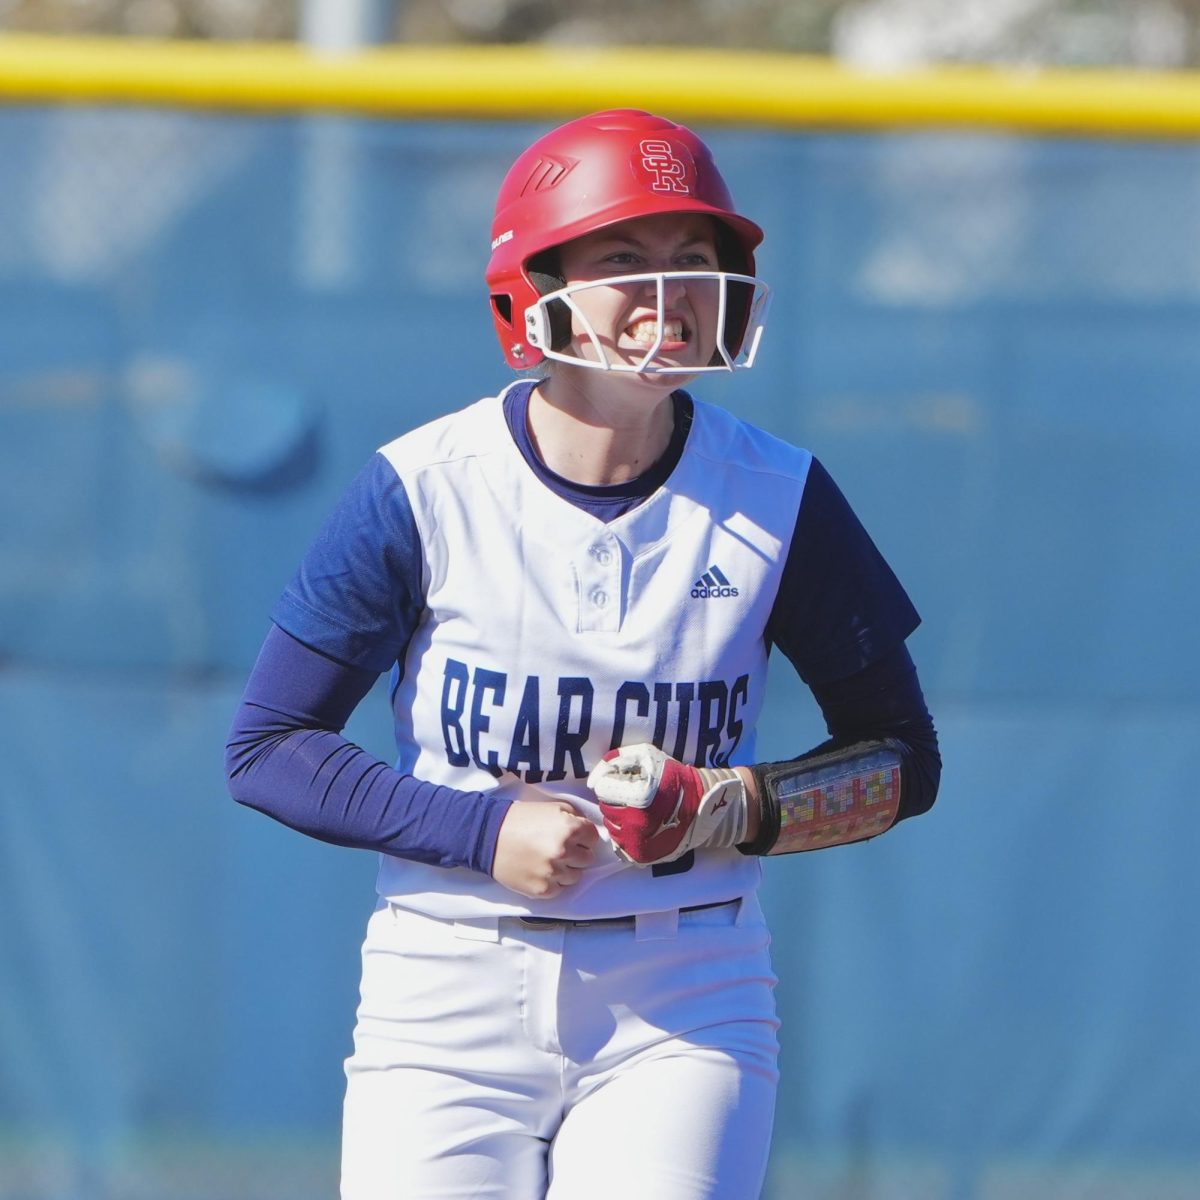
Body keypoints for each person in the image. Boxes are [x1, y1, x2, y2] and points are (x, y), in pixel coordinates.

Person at [225, 108, 941, 1200]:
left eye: (693, 259)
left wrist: (726, 804)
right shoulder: (424, 488)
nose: (669, 290)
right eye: (623, 259)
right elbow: (269, 745)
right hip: (446, 983)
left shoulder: (778, 494)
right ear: (533, 288)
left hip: (685, 984)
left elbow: (901, 759)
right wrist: (481, 825)